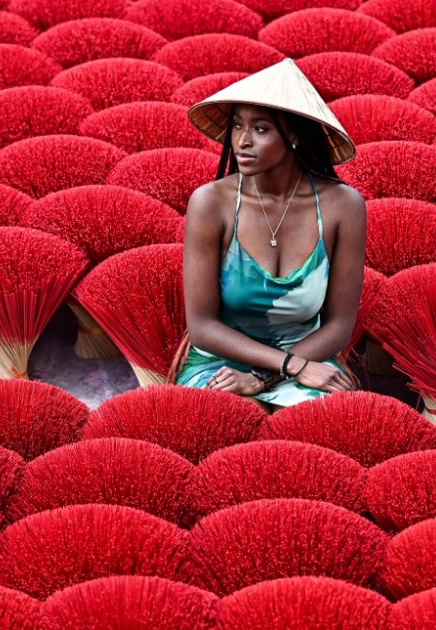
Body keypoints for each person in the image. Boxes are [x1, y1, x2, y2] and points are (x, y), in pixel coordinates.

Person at [172, 58, 367, 411]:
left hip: (306, 360)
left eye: (261, 129)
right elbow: (201, 327)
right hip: (221, 365)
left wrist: (271, 375)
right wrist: (288, 367)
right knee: (238, 418)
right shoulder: (211, 203)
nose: (242, 141)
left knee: (321, 424)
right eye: (236, 125)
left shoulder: (342, 206)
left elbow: (339, 324)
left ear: (293, 135)